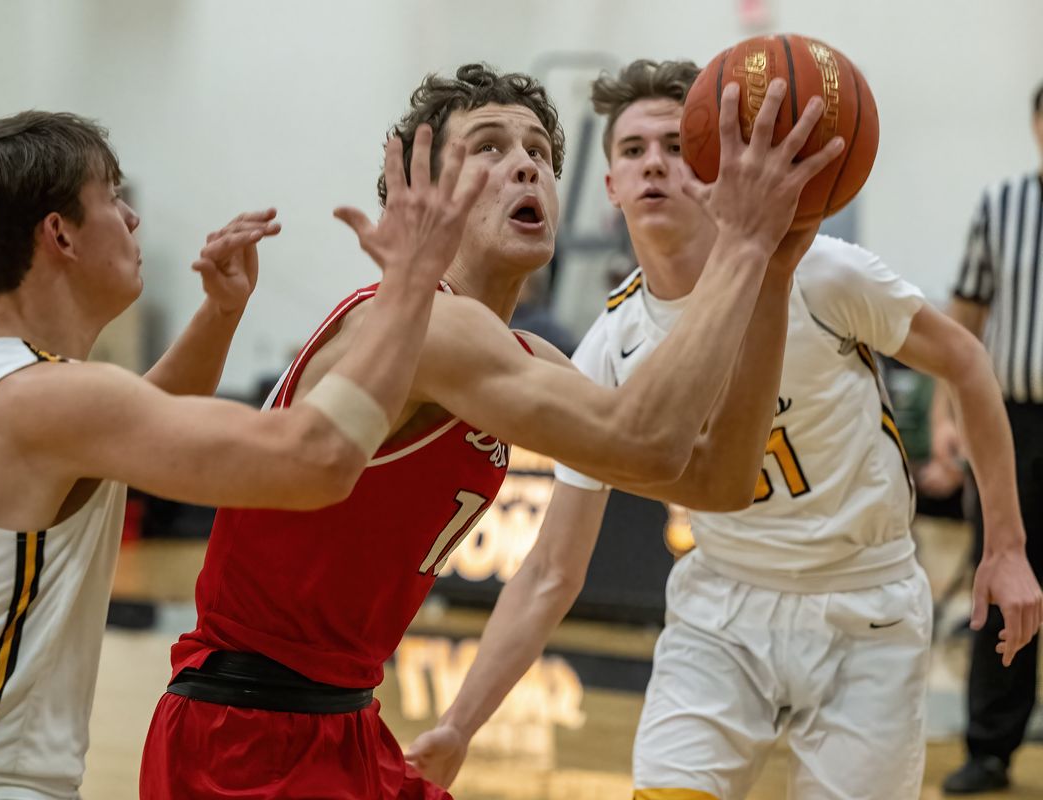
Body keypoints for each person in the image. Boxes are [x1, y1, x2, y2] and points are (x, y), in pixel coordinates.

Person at [139, 62, 844, 799]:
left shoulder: (520, 354)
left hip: (341, 723)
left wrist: (771, 275)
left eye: (538, 151)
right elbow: (652, 439)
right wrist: (740, 245)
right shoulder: (431, 326)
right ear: (428, 192)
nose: (525, 166)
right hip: (246, 736)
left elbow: (714, 479)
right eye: (489, 148)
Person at [405, 59, 1043, 800]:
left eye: (677, 147)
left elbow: (966, 356)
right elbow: (551, 570)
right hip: (723, 611)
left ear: (714, 170)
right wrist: (459, 723)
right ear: (609, 188)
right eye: (633, 151)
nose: (654, 166)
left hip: (864, 603)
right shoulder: (610, 348)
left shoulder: (823, 275)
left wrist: (1005, 545)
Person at [0, 109, 486, 799]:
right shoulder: (43, 399)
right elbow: (316, 461)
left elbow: (132, 425)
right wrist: (411, 289)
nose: (132, 218)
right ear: (58, 232)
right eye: (111, 197)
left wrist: (219, 314)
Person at [939, 80, 1043, 796]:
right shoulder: (1002, 206)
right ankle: (992, 748)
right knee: (1003, 577)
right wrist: (951, 419)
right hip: (1015, 420)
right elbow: (963, 324)